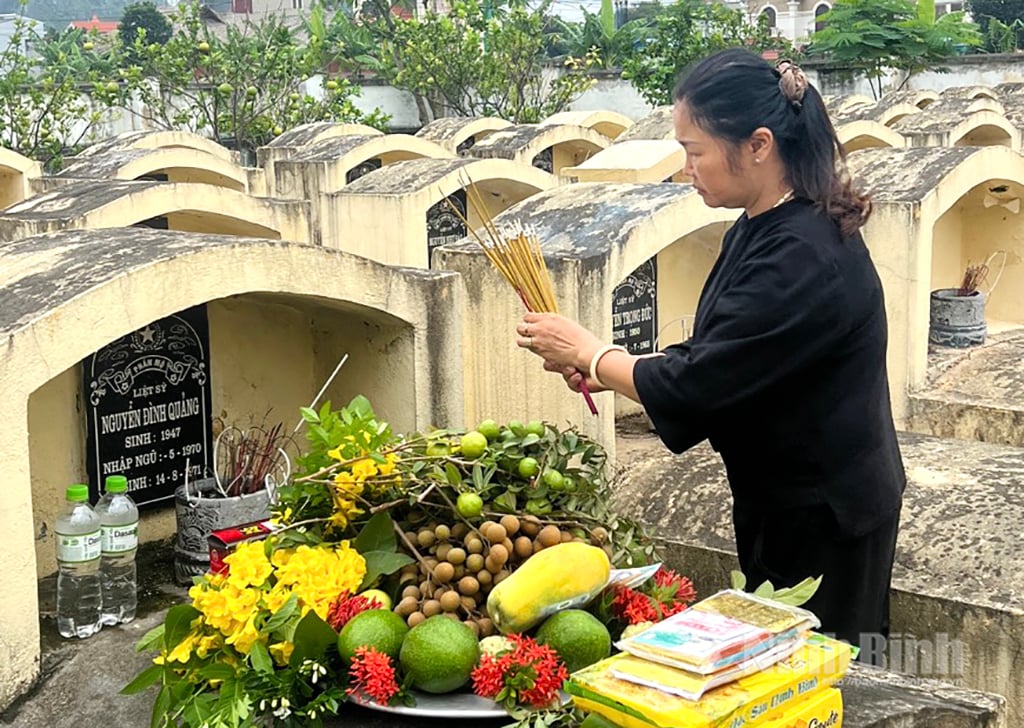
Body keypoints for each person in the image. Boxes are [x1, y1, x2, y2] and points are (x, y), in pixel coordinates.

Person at [514, 49, 905, 661]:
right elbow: (723, 352)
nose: (686, 167)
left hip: (826, 513)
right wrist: (605, 365)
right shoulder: (761, 223)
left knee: (817, 670)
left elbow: (702, 381)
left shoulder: (801, 254)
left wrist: (594, 357)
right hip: (782, 495)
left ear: (758, 144)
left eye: (695, 151)